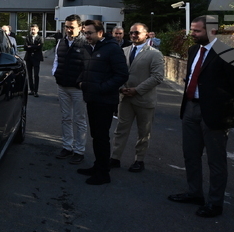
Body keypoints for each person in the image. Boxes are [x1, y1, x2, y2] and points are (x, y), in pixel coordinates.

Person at [169, 15, 234, 217]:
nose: (192, 34)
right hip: (190, 109)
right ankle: (194, 193)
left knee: (216, 161)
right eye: (192, 30)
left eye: (197, 31)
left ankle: (215, 203)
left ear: (212, 31)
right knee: (190, 155)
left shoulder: (229, 53)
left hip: (214, 115)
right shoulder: (193, 50)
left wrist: (224, 110)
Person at [75, 20, 129, 185]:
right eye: (85, 33)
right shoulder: (90, 47)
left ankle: (103, 173)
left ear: (100, 32)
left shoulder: (112, 49)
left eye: (89, 33)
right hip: (92, 99)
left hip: (105, 101)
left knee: (101, 137)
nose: (87, 36)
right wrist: (80, 82)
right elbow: (85, 69)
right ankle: (98, 166)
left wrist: (100, 88)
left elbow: (121, 75)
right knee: (96, 136)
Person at [110, 24, 165, 173]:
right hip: (125, 98)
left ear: (146, 35)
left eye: (137, 33)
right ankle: (115, 158)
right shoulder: (123, 51)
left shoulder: (154, 54)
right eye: (131, 32)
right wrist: (120, 87)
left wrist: (137, 90)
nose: (133, 35)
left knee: (143, 133)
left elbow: (157, 77)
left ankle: (139, 160)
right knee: (120, 130)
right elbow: (116, 71)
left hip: (144, 99)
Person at [52, 15, 88, 163]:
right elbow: (56, 60)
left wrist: (82, 82)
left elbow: (89, 66)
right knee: (66, 118)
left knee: (80, 120)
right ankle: (67, 147)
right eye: (66, 26)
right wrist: (55, 75)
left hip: (78, 89)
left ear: (80, 28)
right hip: (62, 86)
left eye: (71, 27)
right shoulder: (61, 42)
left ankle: (79, 150)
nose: (68, 30)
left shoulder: (85, 43)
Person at [23, 24, 44, 97]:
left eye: (34, 29)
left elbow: (40, 47)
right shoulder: (27, 38)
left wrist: (30, 46)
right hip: (28, 58)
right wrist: (34, 47)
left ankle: (36, 91)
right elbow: (25, 47)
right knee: (29, 75)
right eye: (31, 29)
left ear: (38, 30)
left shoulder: (40, 38)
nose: (32, 31)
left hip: (36, 58)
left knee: (36, 75)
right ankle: (31, 90)